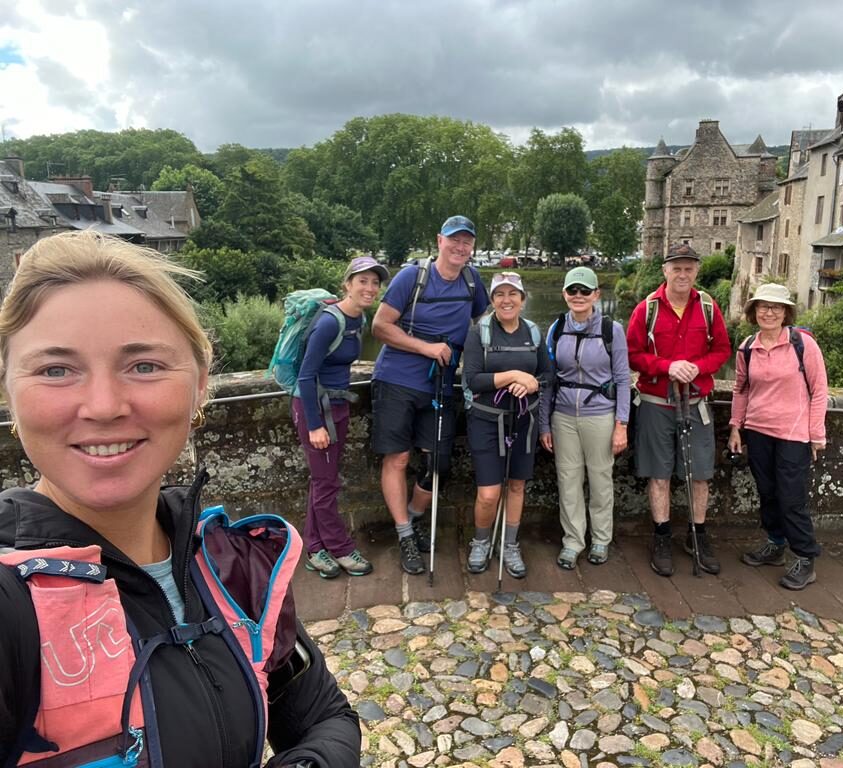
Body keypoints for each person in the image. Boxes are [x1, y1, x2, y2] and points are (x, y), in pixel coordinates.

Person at [0, 231, 359, 768]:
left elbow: (322, 717)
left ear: (200, 386)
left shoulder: (232, 565)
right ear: (8, 388)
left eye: (143, 365)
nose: (103, 406)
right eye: (56, 370)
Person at [371, 215, 489, 575]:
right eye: (454, 240)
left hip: (441, 384)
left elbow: (486, 326)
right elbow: (379, 326)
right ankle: (406, 535)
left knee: (438, 463)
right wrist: (425, 347)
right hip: (397, 380)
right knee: (399, 459)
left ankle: (412, 518)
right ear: (439, 240)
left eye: (467, 242)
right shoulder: (413, 277)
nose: (460, 247)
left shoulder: (472, 280)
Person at [626, 243, 731, 577]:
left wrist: (695, 368)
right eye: (677, 268)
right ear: (665, 271)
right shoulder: (647, 309)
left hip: (696, 404)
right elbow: (631, 354)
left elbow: (723, 350)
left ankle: (697, 535)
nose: (683, 274)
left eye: (688, 268)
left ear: (696, 271)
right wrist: (668, 366)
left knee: (700, 474)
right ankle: (661, 536)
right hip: (656, 404)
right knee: (659, 475)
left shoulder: (709, 307)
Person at [728, 283, 828, 590]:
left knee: (791, 498)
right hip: (758, 431)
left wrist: (816, 435)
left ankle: (805, 557)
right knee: (768, 492)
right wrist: (735, 426)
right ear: (753, 311)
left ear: (785, 312)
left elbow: (820, 389)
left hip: (793, 434)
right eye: (763, 306)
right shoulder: (747, 346)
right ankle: (774, 544)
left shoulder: (802, 344)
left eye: (776, 307)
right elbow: (741, 389)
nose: (769, 312)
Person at [293, 255, 388, 579]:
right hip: (316, 410)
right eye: (363, 281)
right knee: (327, 482)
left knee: (323, 481)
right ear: (347, 284)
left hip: (338, 407)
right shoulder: (330, 322)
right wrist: (316, 424)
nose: (370, 288)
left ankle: (316, 548)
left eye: (375, 282)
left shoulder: (357, 320)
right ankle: (340, 547)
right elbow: (305, 377)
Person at [539, 267, 630, 570]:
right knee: (568, 481)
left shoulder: (610, 329)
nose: (578, 296)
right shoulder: (556, 328)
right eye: (573, 290)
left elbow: (622, 379)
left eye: (585, 291)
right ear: (565, 294)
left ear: (596, 295)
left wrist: (621, 424)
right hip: (563, 416)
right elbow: (548, 380)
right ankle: (573, 541)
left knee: (601, 479)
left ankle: (601, 539)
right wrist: (543, 424)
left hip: (600, 415)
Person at [462, 272, 550, 578]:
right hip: (487, 421)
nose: (506, 300)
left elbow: (548, 376)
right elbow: (472, 379)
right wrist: (513, 376)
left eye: (513, 294)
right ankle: (481, 541)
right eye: (499, 294)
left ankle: (509, 544)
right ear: (492, 300)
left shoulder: (534, 332)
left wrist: (531, 385)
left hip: (525, 420)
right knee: (489, 492)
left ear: (523, 300)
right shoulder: (479, 332)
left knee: (516, 486)